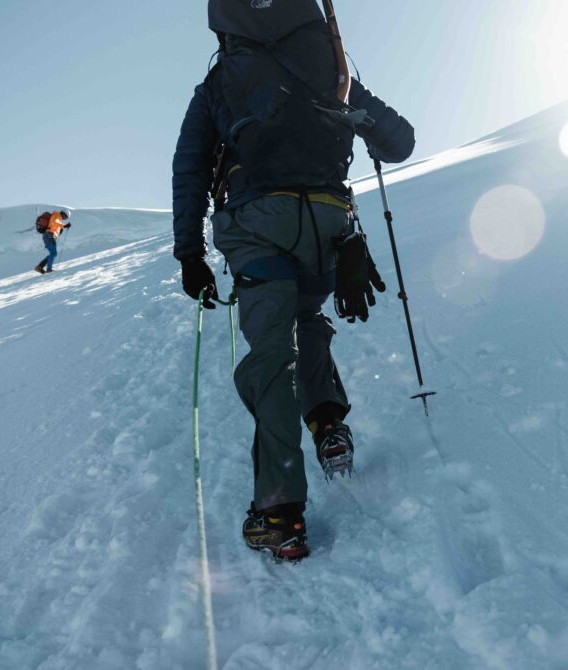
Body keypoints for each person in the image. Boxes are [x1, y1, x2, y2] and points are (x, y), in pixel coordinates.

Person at [172, 0, 415, 560]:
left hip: (258, 225)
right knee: (306, 316)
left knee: (273, 351)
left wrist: (190, 253)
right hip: (328, 225)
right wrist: (352, 108)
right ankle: (329, 426)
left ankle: (279, 513)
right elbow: (399, 143)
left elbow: (191, 168)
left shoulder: (218, 83)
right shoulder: (330, 65)